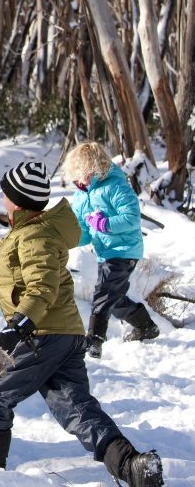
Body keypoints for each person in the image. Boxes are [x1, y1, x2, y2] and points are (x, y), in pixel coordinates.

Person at [0, 161, 163, 486]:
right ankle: (133, 466)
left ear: (16, 200)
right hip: (64, 334)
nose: (1, 197)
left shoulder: (34, 239)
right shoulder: (26, 234)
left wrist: (17, 325)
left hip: (39, 334)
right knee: (75, 407)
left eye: (4, 192)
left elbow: (42, 288)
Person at [61, 141, 158, 358]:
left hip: (124, 250)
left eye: (81, 174)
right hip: (106, 252)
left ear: (94, 169)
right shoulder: (81, 196)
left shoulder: (115, 186)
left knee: (103, 293)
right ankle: (146, 326)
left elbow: (132, 219)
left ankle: (94, 341)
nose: (77, 180)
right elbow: (84, 231)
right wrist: (66, 241)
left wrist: (104, 224)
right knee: (113, 299)